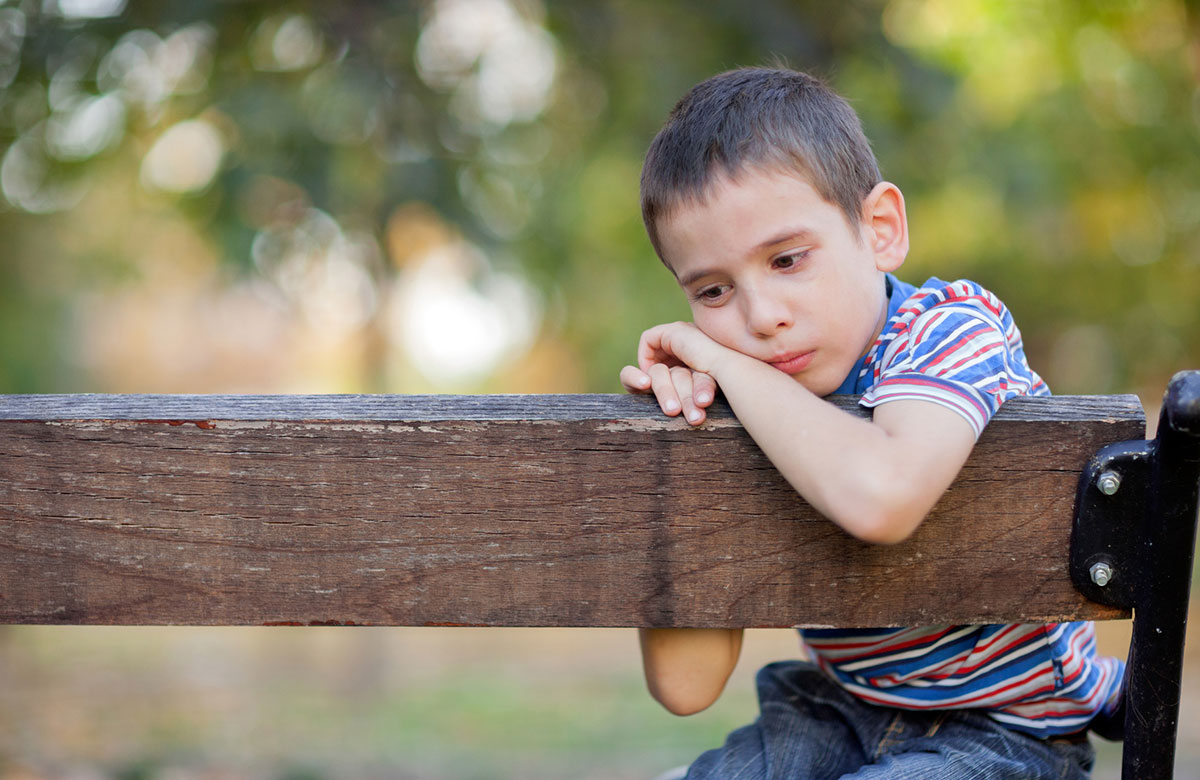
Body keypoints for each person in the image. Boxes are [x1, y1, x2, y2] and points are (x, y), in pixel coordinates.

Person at [618, 66, 1124, 779]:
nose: (761, 317)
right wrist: (682, 439)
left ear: (880, 229)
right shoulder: (742, 395)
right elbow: (687, 684)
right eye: (712, 290)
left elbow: (881, 495)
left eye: (788, 259)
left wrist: (723, 363)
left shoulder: (949, 329)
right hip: (833, 712)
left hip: (1008, 730)